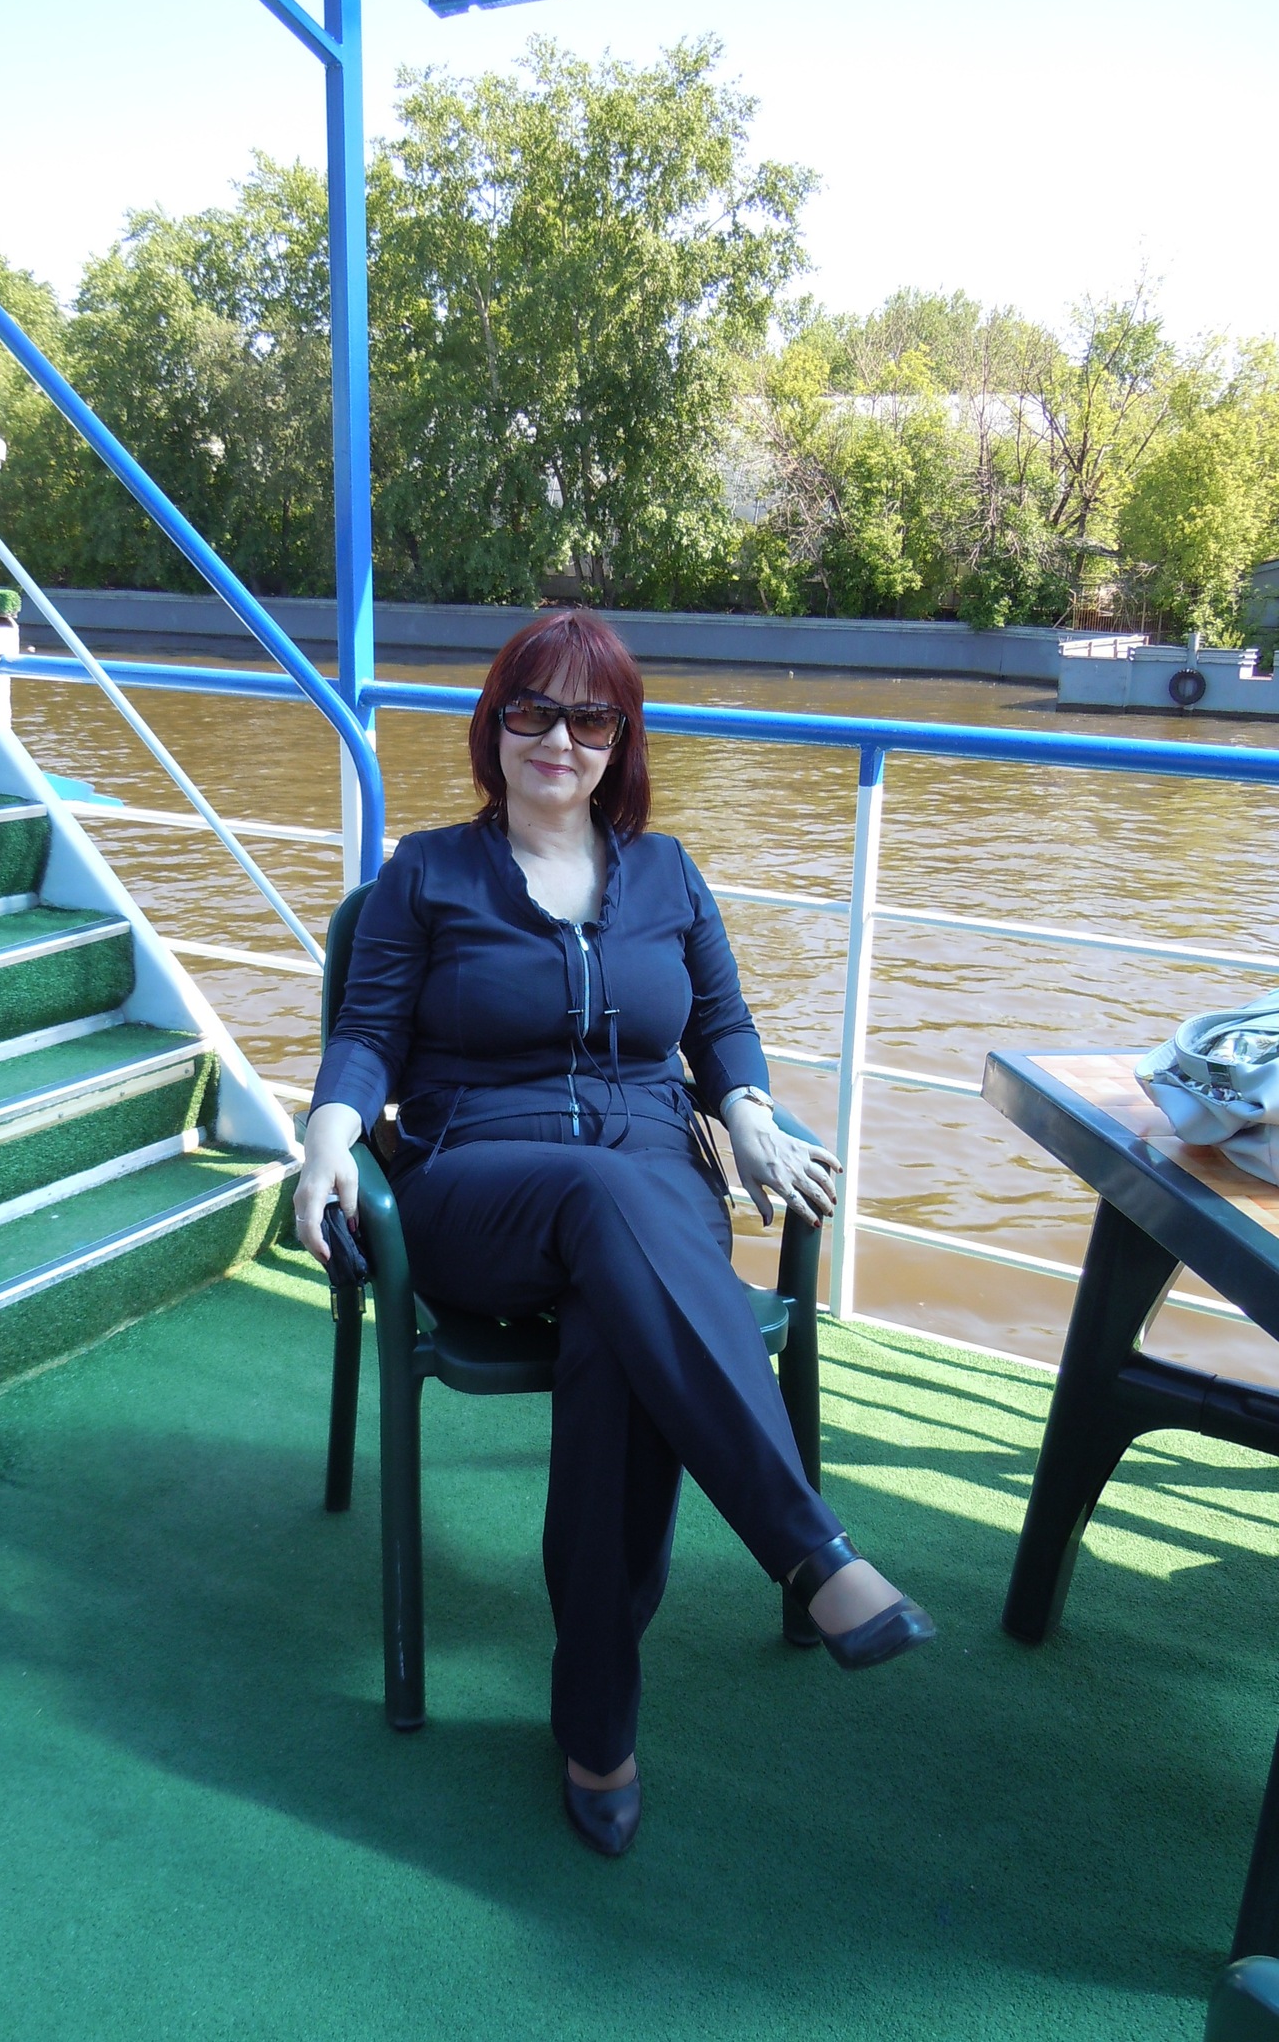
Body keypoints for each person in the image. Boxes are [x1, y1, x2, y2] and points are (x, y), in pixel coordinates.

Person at [295, 609, 934, 1857]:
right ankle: (810, 1549)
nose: (559, 738)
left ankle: (596, 1719)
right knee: (605, 1197)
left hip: (651, 1192)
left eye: (590, 716)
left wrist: (747, 1111)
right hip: (480, 1184)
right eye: (532, 708)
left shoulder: (672, 873)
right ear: (494, 723)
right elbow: (366, 1034)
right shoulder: (426, 874)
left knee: (616, 1337)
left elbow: (723, 1028)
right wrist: (326, 1136)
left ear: (620, 739)